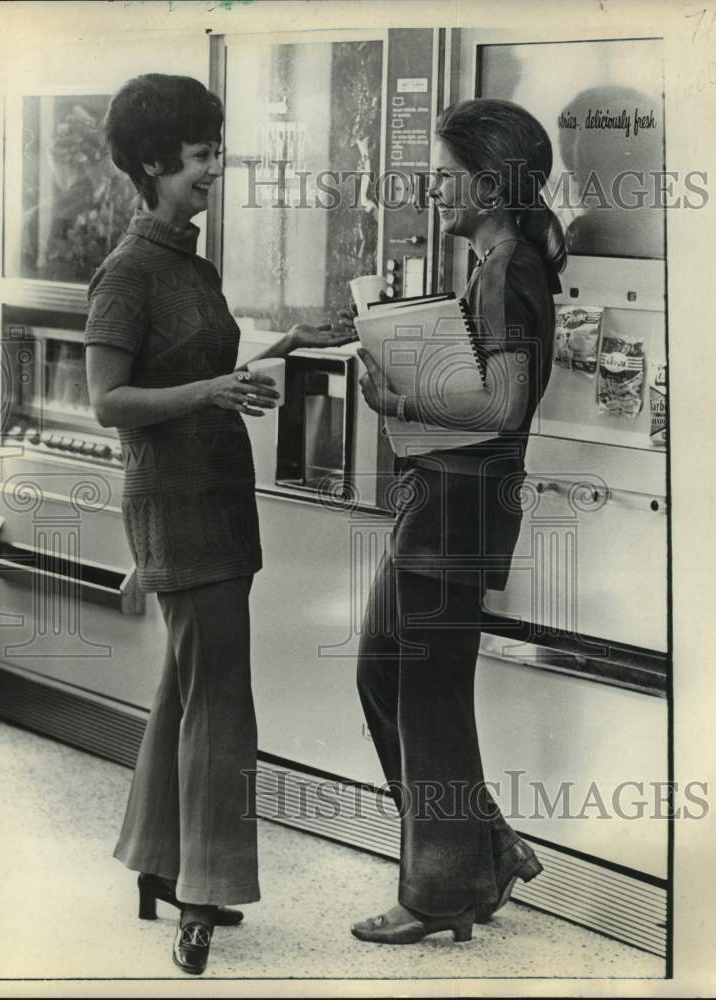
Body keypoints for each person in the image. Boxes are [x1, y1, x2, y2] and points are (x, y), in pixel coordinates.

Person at [84, 73, 354, 975]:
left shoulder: (187, 260)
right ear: (155, 161)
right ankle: (205, 891)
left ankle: (158, 863)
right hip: (177, 504)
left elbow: (202, 361)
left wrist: (286, 345)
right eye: (202, 154)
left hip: (212, 494)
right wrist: (213, 389)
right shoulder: (126, 271)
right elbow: (108, 401)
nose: (216, 168)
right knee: (220, 701)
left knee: (187, 686)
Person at [352, 98, 565, 945]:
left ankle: (440, 890)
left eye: (445, 176)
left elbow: (505, 402)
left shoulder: (506, 269)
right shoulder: (495, 262)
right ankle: (486, 847)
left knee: (428, 698)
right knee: (382, 673)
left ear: (486, 184)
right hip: (440, 503)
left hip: (459, 510)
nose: (433, 188)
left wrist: (398, 396)